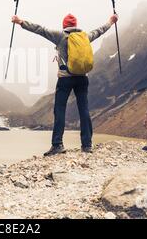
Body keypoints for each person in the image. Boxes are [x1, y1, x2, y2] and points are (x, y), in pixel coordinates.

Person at [11, 13, 118, 156]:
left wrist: (20, 22)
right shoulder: (85, 36)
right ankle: (87, 145)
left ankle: (57, 145)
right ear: (76, 25)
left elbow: (40, 29)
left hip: (65, 79)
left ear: (64, 25)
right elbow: (100, 31)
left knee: (59, 109)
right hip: (82, 78)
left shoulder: (60, 36)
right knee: (84, 110)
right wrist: (111, 21)